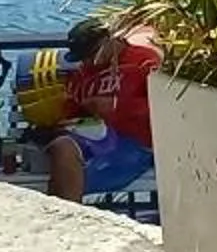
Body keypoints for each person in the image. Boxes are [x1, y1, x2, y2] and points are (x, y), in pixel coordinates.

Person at [43, 18, 158, 203]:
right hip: (94, 139)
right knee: (62, 145)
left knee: (65, 182)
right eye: (84, 57)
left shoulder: (144, 62)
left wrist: (116, 107)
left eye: (92, 54)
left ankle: (64, 211)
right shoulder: (84, 73)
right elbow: (71, 109)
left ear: (110, 40)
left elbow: (161, 108)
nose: (89, 61)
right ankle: (65, 208)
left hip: (134, 142)